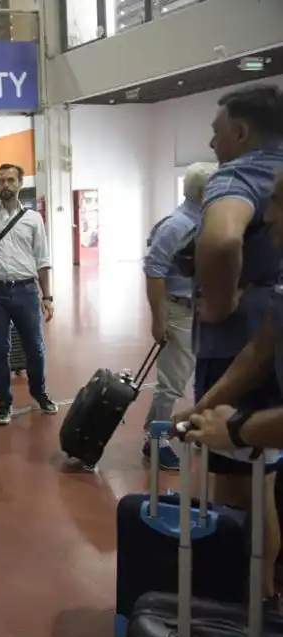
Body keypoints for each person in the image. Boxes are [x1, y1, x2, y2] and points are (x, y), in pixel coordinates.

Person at [178, 85, 283, 599]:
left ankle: (243, 601)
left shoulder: (237, 175)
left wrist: (219, 304)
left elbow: (220, 240)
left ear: (241, 132)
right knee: (268, 477)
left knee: (237, 482)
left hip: (236, 343)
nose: (212, 142)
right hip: (264, 344)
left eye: (217, 132)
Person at [0, 163, 57, 425]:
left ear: (19, 184)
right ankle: (4, 402)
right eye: (2, 180)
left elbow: (42, 260)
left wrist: (47, 296)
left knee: (35, 346)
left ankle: (39, 392)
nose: (6, 185)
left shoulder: (33, 219)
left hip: (25, 290)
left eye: (11, 180)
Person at [140, 162, 217, 470]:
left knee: (205, 374)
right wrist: (159, 320)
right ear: (202, 192)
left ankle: (197, 428)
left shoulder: (204, 221)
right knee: (171, 382)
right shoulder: (177, 226)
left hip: (201, 309)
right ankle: (155, 440)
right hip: (179, 311)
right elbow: (154, 272)